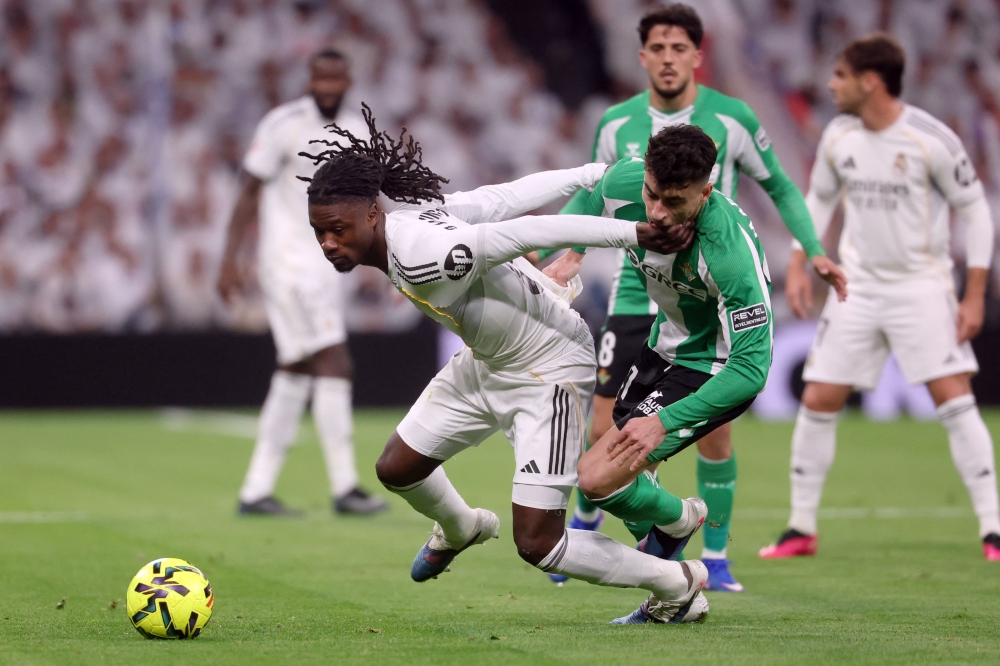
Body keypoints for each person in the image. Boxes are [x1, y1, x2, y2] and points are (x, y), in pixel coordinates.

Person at [305, 105, 712, 624]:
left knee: (538, 543)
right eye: (319, 232)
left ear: (369, 215)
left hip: (549, 366)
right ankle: (461, 527)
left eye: (336, 230)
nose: (328, 244)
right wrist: (589, 174)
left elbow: (520, 234)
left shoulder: (422, 254)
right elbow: (497, 198)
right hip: (488, 359)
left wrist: (633, 233)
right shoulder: (409, 215)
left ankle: (678, 583)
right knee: (397, 467)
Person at [541, 3, 844, 592]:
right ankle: (678, 542)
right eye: (651, 195)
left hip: (713, 366)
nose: (655, 213)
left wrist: (668, 423)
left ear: (705, 193)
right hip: (663, 343)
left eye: (673, 203)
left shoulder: (729, 256)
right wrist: (570, 249)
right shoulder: (630, 174)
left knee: (604, 475)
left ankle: (694, 558)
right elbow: (592, 194)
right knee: (601, 475)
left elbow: (754, 369)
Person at [758, 34, 1000, 561]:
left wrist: (974, 294)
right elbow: (818, 199)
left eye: (840, 75)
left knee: (954, 399)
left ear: (870, 81)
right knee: (819, 397)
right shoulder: (839, 136)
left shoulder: (929, 138)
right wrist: (800, 260)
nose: (830, 85)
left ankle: (993, 530)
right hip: (856, 286)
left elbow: (976, 211)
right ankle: (800, 527)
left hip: (921, 287)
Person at [217, 49, 387, 516]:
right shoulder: (282, 123)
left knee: (295, 367)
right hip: (291, 261)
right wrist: (228, 259)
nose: (329, 86)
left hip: (329, 263)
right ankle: (346, 487)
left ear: (348, 78)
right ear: (310, 79)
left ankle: (256, 489)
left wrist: (391, 256)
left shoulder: (357, 128)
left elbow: (370, 200)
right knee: (334, 360)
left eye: (337, 77)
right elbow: (248, 190)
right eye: (321, 78)